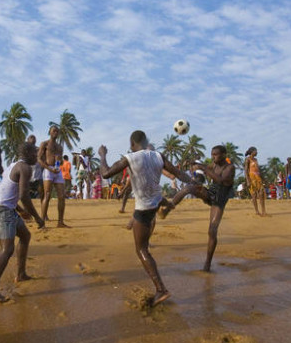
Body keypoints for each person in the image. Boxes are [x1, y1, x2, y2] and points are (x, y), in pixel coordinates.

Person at [98, 131, 190, 306]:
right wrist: (193, 182)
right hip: (155, 203)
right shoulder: (158, 155)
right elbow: (179, 173)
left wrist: (102, 156)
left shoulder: (130, 158)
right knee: (143, 233)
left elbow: (106, 174)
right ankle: (164, 206)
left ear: (133, 143)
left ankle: (161, 289)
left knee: (141, 250)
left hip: (144, 208)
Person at [0, 142, 45, 303]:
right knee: (7, 249)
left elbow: (6, 191)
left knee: (25, 236)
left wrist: (19, 210)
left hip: (7, 208)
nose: (37, 158)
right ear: (29, 154)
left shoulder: (14, 165)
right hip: (1, 211)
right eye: (36, 155)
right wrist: (38, 218)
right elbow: (24, 195)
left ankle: (21, 274)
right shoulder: (24, 168)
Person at [161, 145, 236, 272]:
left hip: (219, 201)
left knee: (212, 231)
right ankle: (168, 208)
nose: (213, 157)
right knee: (188, 188)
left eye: (216, 154)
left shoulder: (230, 167)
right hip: (210, 193)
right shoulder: (214, 164)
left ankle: (207, 265)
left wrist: (202, 168)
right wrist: (195, 163)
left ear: (224, 155)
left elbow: (220, 180)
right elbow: (207, 168)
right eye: (212, 154)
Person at [38, 125, 68, 227]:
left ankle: (60, 222)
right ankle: (42, 222)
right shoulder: (45, 144)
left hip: (57, 170)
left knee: (61, 196)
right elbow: (39, 159)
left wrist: (59, 161)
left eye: (57, 131)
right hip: (48, 170)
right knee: (47, 195)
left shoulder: (60, 147)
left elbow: (60, 162)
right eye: (54, 131)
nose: (56, 132)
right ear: (50, 132)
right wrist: (49, 168)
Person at [243, 147, 269, 217]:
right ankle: (257, 211)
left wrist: (263, 179)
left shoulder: (256, 160)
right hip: (252, 178)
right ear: (252, 152)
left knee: (261, 193)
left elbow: (258, 170)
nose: (257, 152)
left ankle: (263, 211)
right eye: (256, 151)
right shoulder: (248, 159)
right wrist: (248, 180)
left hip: (258, 178)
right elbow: (246, 170)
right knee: (254, 195)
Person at [26, 135, 43, 199]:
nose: (33, 140)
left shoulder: (39, 150)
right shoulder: (25, 151)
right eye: (31, 139)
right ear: (28, 140)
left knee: (40, 192)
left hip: (38, 174)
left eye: (34, 139)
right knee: (28, 194)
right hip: (28, 175)